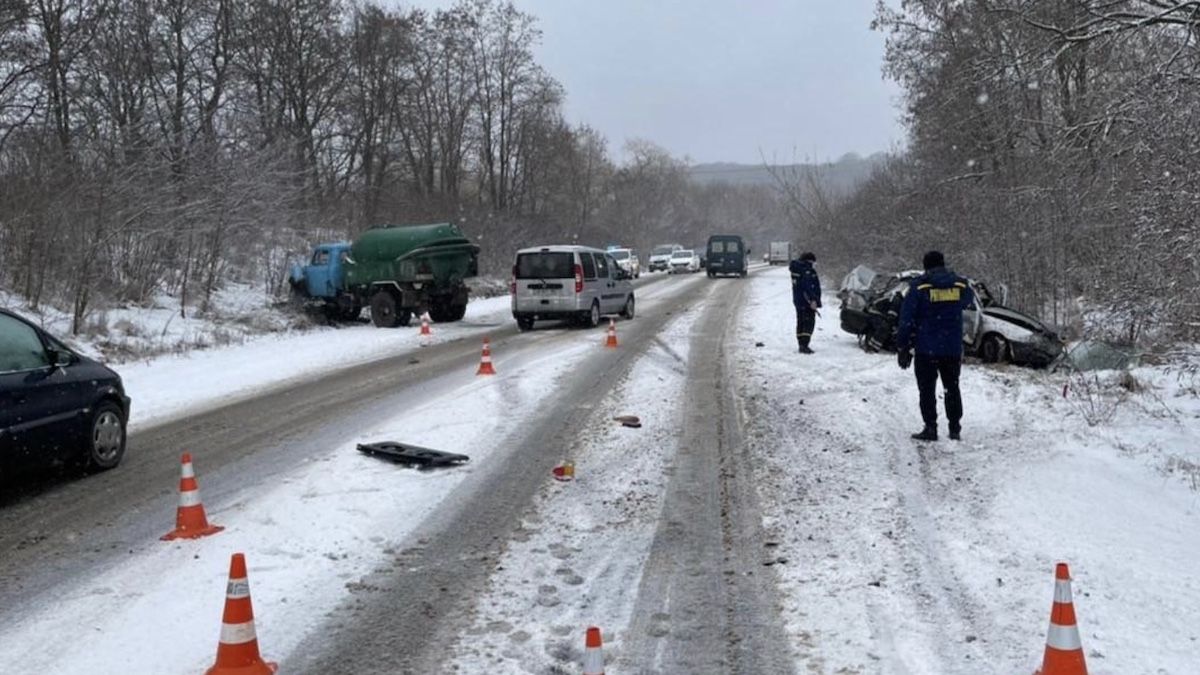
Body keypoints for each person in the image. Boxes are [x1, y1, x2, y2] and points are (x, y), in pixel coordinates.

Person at [895, 250, 974, 441]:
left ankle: (930, 428)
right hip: (952, 347)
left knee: (927, 389)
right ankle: (954, 428)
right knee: (952, 387)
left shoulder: (920, 287)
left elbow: (906, 319)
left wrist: (902, 346)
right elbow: (968, 300)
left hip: (926, 348)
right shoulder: (960, 284)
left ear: (925, 266)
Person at [789, 252, 821, 354]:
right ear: (809, 261)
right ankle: (804, 345)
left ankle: (801, 344)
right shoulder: (806, 270)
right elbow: (808, 286)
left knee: (801, 322)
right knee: (808, 322)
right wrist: (812, 300)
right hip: (806, 301)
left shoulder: (796, 268)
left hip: (798, 300)